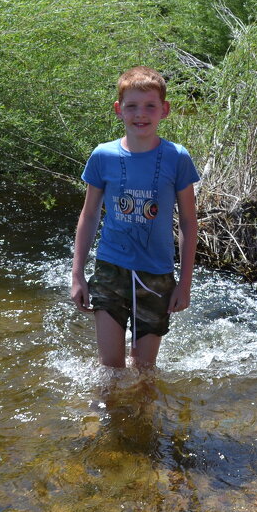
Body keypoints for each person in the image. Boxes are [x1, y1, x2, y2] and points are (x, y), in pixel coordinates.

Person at [71, 66, 200, 369]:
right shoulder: (103, 155)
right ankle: (105, 414)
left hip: (156, 274)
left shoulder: (177, 157)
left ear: (164, 110)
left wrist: (184, 284)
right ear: (119, 110)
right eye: (132, 106)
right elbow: (89, 215)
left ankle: (141, 415)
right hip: (111, 268)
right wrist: (77, 273)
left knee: (143, 368)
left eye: (150, 106)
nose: (140, 114)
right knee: (110, 366)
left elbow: (188, 222)